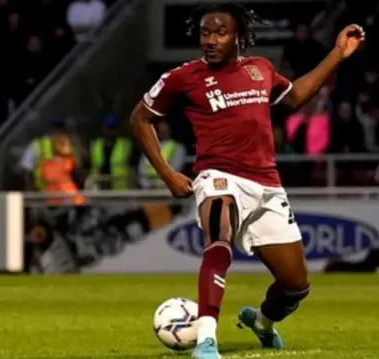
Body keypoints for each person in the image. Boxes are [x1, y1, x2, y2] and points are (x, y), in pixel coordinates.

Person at [129, 3, 365, 358]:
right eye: (205, 33)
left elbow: (296, 97)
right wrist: (167, 174)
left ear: (239, 37)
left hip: (267, 184)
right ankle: (207, 340)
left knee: (295, 285)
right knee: (218, 239)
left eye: (220, 32)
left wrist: (337, 54)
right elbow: (139, 118)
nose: (210, 40)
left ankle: (262, 322)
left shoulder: (260, 69)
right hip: (219, 176)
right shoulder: (184, 76)